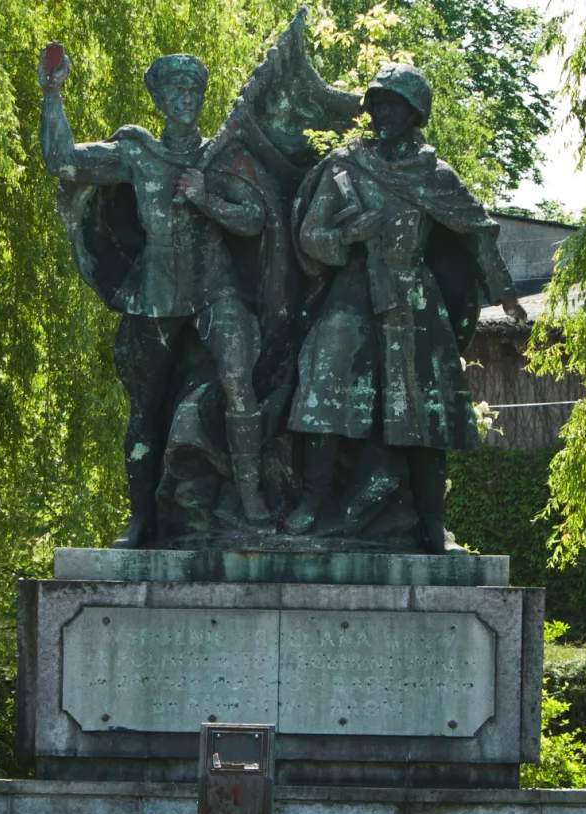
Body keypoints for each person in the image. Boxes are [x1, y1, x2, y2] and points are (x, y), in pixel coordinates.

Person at [284, 62, 526, 551]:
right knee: (323, 387)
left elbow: (477, 234)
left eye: (394, 105)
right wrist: (349, 235)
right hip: (352, 290)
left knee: (424, 412)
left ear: (416, 114)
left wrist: (503, 291)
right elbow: (311, 235)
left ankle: (431, 521)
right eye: (377, 103)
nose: (382, 113)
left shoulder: (435, 175)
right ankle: (311, 502)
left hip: (412, 298)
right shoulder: (345, 166)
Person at [39, 47, 275, 544]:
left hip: (217, 287)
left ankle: (252, 496)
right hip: (157, 293)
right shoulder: (138, 155)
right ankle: (141, 516)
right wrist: (52, 95)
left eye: (194, 91)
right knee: (143, 411)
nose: (186, 99)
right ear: (160, 99)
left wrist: (205, 196)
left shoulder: (224, 156)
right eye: (176, 92)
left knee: (238, 378)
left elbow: (255, 220)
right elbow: (63, 162)